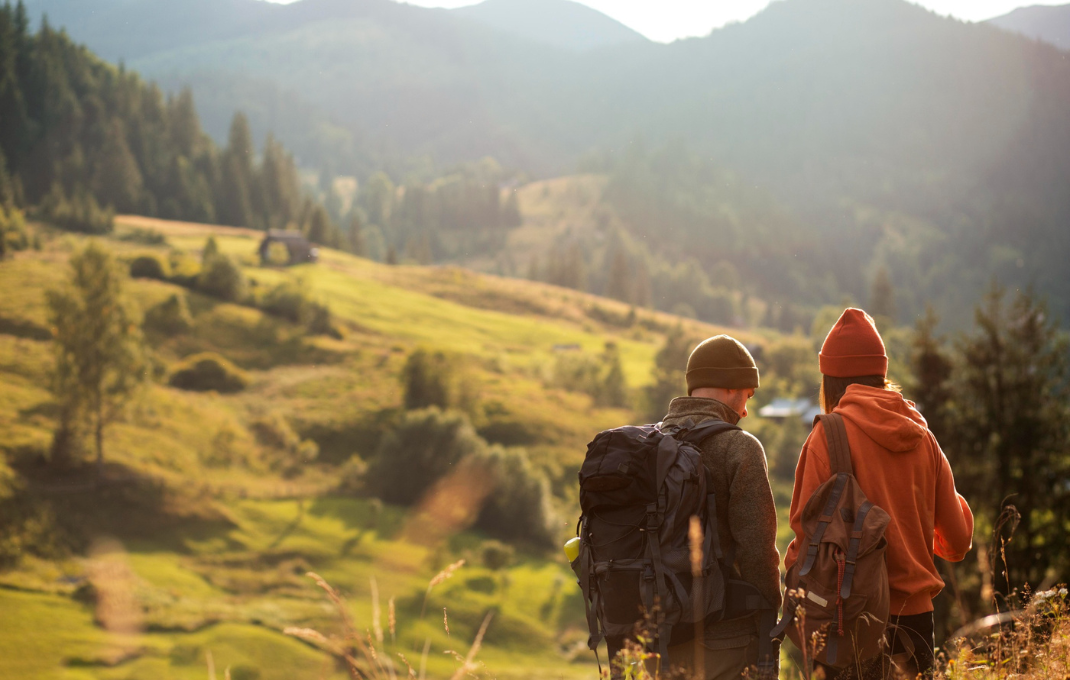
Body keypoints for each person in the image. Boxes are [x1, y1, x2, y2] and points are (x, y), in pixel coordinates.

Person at [785, 309, 974, 678]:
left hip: (847, 621)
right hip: (916, 624)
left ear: (830, 379)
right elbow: (958, 542)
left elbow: (806, 541)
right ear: (881, 374)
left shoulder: (827, 437)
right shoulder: (924, 438)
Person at [653, 334, 782, 680]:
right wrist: (772, 617)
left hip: (654, 639)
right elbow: (758, 552)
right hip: (726, 639)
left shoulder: (651, 445)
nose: (745, 410)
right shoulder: (739, 448)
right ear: (731, 388)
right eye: (747, 396)